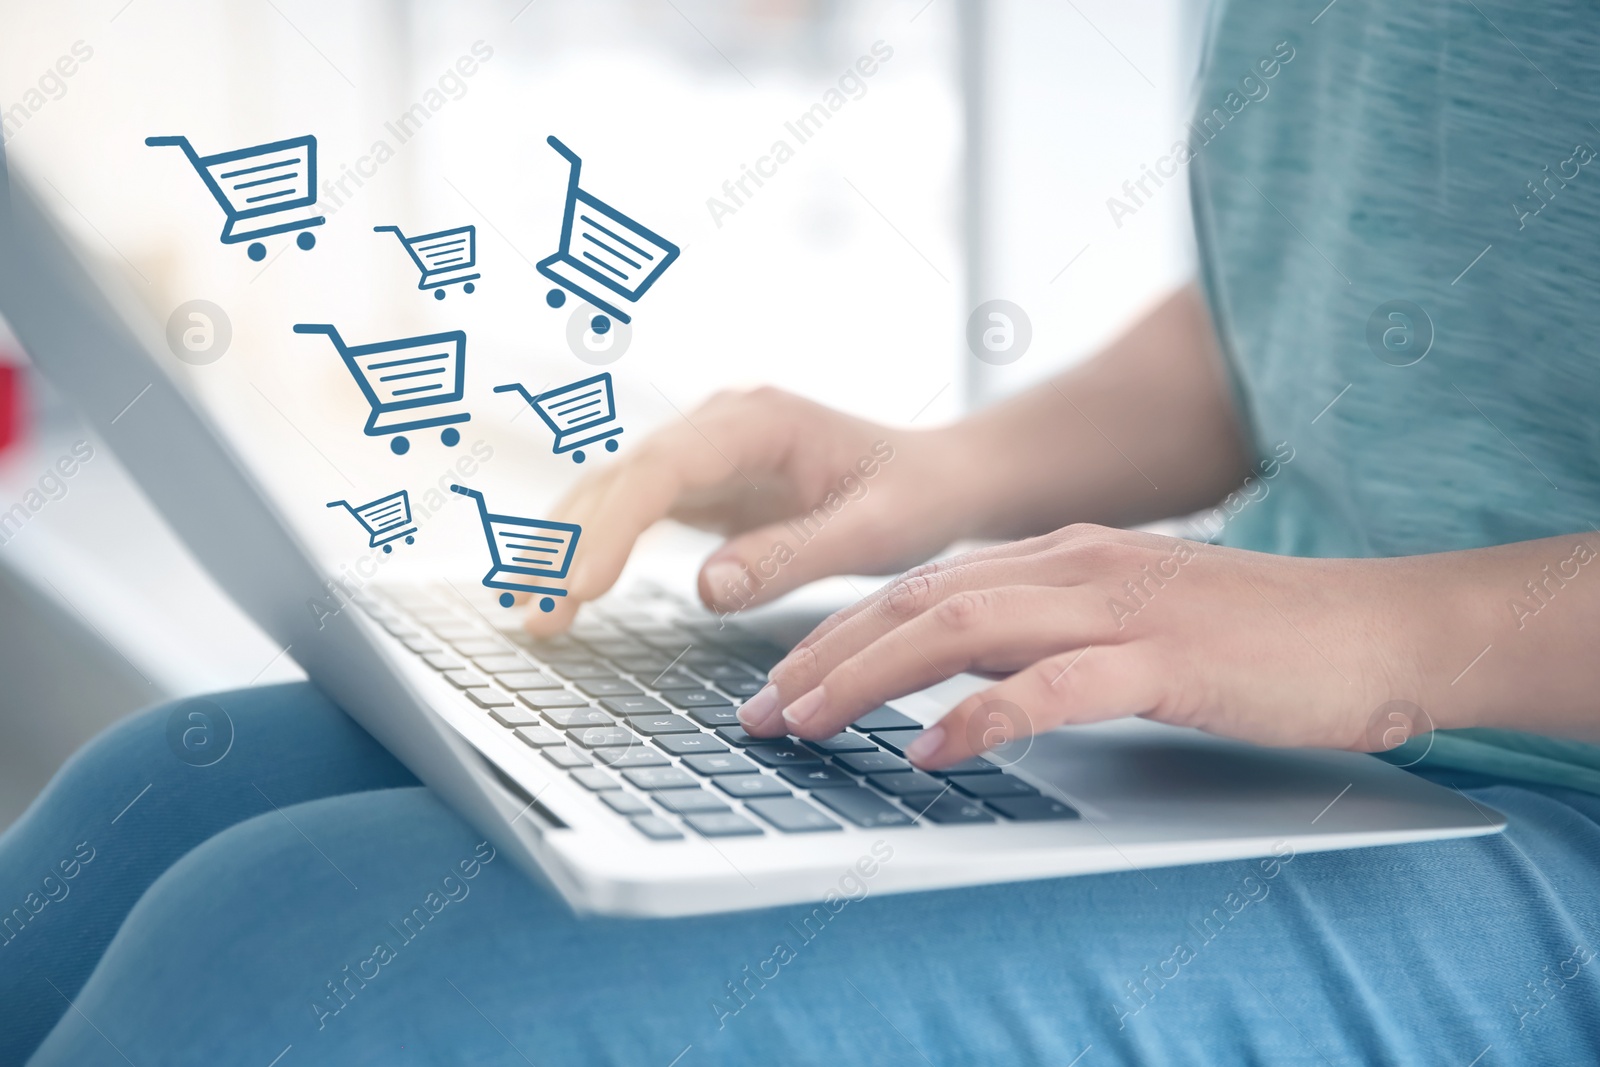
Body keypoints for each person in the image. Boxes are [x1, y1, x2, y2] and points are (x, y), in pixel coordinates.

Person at [7, 2, 1600, 1063]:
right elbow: (1339, 281)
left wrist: (1395, 638)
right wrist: (943, 469)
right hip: (1261, 731)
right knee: (161, 797)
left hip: (1549, 796)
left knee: (297, 974)